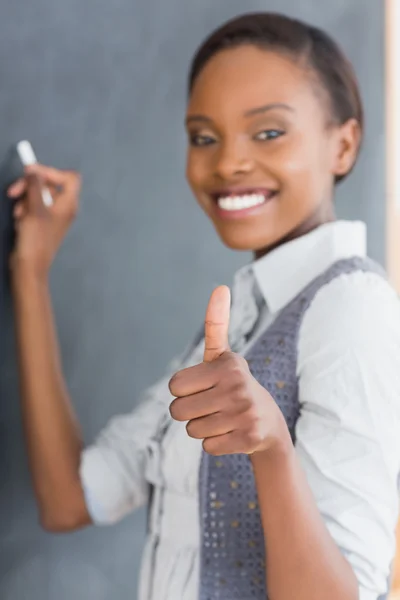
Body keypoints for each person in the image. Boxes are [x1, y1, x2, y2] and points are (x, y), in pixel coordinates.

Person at [7, 11, 400, 600]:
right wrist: (31, 273)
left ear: (342, 144)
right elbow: (70, 499)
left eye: (268, 132)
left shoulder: (353, 309)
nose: (227, 163)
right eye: (203, 137)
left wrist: (271, 449)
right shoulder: (240, 322)